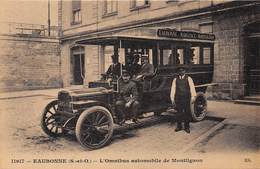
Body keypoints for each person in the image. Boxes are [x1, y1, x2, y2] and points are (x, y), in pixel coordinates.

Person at [170, 66, 196, 133]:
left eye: (182, 70)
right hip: (178, 98)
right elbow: (173, 89)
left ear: (185, 71)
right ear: (178, 72)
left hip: (186, 98)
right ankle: (179, 126)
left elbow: (192, 88)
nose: (181, 72)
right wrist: (172, 98)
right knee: (179, 112)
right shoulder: (175, 79)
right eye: (180, 70)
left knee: (187, 112)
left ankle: (187, 127)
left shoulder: (189, 78)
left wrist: (193, 97)